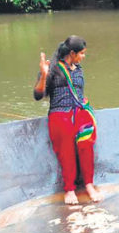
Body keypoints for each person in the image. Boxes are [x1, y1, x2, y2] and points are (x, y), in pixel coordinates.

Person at [34, 36, 103, 205]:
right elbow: (38, 95)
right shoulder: (52, 69)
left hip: (79, 112)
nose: (83, 57)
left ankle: (88, 184)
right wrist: (43, 75)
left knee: (86, 143)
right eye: (82, 53)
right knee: (66, 148)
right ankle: (70, 189)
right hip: (60, 113)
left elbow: (79, 93)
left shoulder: (79, 69)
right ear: (72, 53)